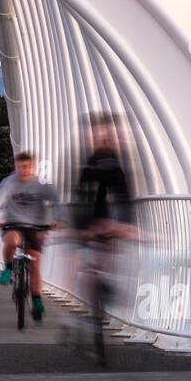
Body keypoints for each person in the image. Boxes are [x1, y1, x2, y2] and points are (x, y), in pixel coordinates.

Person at [70, 113, 137, 327]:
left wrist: (126, 225)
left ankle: (104, 290)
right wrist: (82, 228)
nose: (106, 138)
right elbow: (82, 197)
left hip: (106, 216)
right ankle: (90, 301)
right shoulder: (91, 163)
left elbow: (124, 196)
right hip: (89, 215)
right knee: (88, 262)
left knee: (111, 249)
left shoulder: (115, 163)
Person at [0, 151, 60, 321]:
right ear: (15, 167)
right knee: (12, 240)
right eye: (20, 167)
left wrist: (58, 218)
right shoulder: (9, 182)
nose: (24, 170)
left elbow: (55, 200)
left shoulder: (42, 184)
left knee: (35, 263)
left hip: (36, 225)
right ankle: (8, 268)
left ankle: (37, 300)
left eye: (27, 167)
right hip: (13, 222)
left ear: (33, 167)